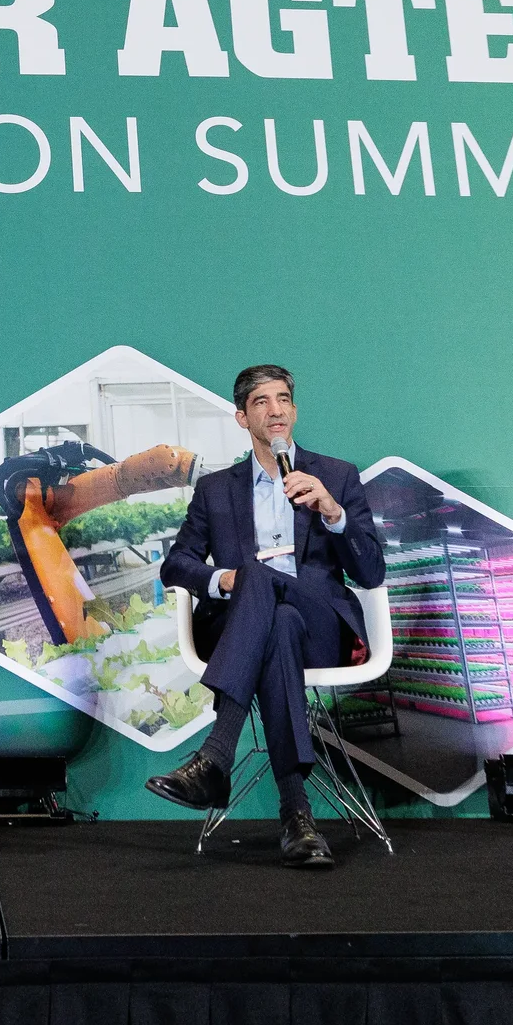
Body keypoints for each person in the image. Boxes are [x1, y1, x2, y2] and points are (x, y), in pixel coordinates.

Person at [146, 364, 382, 869]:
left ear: (294, 411)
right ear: (241, 417)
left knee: (269, 589)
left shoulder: (336, 475)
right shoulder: (216, 489)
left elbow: (371, 569)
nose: (275, 410)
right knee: (274, 618)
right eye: (261, 402)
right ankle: (298, 817)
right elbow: (177, 563)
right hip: (253, 628)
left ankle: (214, 757)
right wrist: (223, 579)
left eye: (283, 400)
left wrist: (333, 512)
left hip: (323, 625)